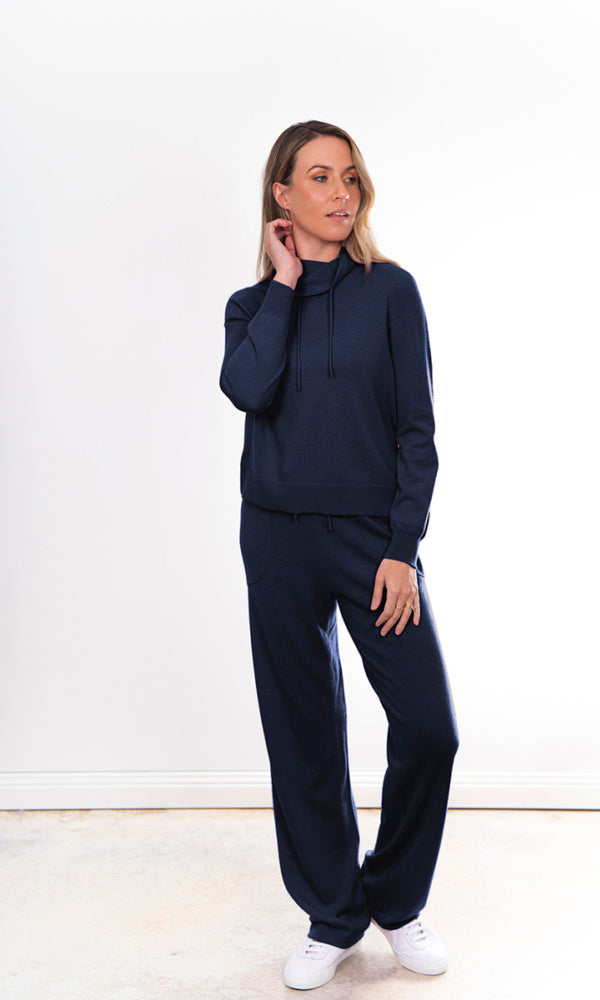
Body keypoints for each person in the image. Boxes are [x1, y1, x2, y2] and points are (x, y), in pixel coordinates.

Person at [219, 120, 459, 991]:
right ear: (281, 195)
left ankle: (393, 900)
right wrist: (285, 283)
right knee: (302, 734)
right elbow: (247, 388)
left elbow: (416, 431)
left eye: (349, 176)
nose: (340, 191)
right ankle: (331, 913)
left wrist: (401, 550)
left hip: (370, 543)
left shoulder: (389, 291)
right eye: (318, 176)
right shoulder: (251, 306)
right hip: (276, 536)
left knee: (428, 728)